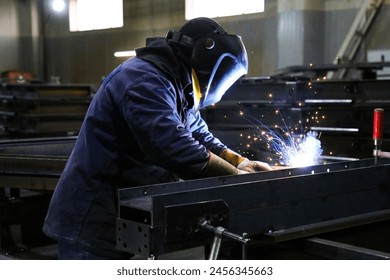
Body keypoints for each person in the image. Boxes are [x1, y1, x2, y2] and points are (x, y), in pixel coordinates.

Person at [43, 17, 272, 260]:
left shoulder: (175, 82)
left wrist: (239, 162)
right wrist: (235, 177)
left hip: (120, 212)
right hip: (92, 218)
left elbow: (198, 132)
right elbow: (174, 146)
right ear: (208, 63)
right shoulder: (144, 79)